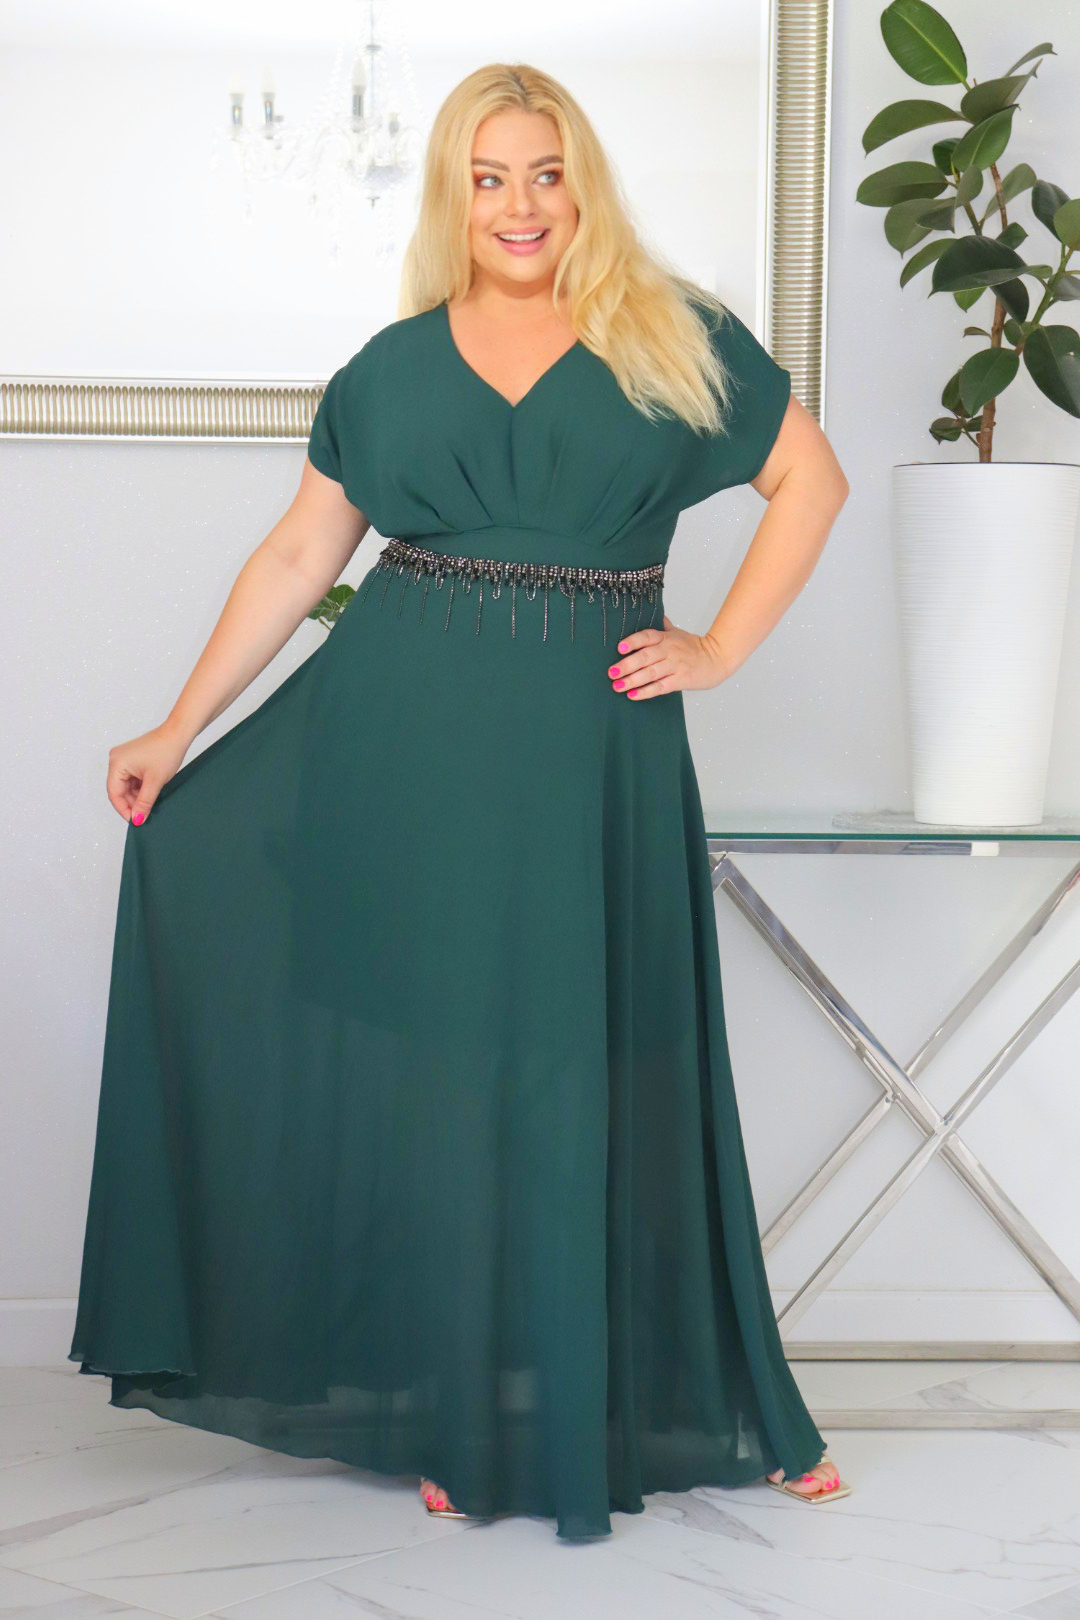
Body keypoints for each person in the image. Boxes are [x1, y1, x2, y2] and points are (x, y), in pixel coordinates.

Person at [69, 61, 852, 1539]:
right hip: (406, 747)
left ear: (583, 183)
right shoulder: (389, 367)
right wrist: (178, 726)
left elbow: (810, 482)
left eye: (545, 173)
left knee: (599, 1065)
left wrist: (719, 649)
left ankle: (704, 1398)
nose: (519, 205)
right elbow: (300, 557)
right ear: (452, 193)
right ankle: (448, 1404)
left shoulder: (672, 338)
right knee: (441, 1076)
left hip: (591, 756)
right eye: (489, 178)